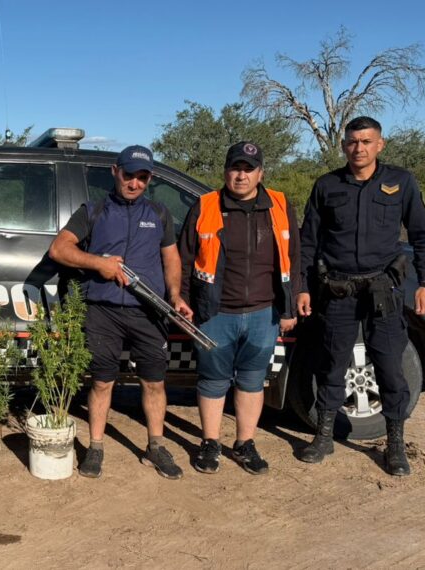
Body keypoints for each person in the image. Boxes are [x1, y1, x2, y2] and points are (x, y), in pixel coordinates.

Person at [296, 116, 425, 476]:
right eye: (352, 142)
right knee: (332, 363)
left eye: (366, 141)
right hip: (338, 290)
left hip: (383, 290)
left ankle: (394, 446)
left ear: (380, 145)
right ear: (344, 145)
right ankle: (324, 437)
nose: (358, 148)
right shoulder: (327, 185)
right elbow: (307, 242)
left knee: (390, 366)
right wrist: (302, 287)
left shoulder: (400, 182)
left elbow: (422, 234)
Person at [49, 145, 192, 479]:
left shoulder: (159, 213)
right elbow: (59, 248)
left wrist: (175, 297)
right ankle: (95, 447)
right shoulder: (94, 211)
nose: (135, 183)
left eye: (142, 177)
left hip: (148, 310)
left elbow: (171, 258)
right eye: (129, 175)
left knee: (155, 383)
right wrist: (99, 264)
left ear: (150, 179)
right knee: (102, 382)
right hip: (103, 310)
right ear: (115, 171)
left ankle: (155, 447)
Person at [177, 141, 299, 475]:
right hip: (215, 312)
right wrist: (182, 298)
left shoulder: (279, 204)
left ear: (260, 173)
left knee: (252, 380)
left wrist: (288, 308)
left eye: (248, 169)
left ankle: (245, 443)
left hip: (264, 313)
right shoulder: (206, 205)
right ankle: (210, 443)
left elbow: (294, 258)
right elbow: (185, 257)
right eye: (235, 168)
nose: (241, 175)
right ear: (225, 171)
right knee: (213, 381)